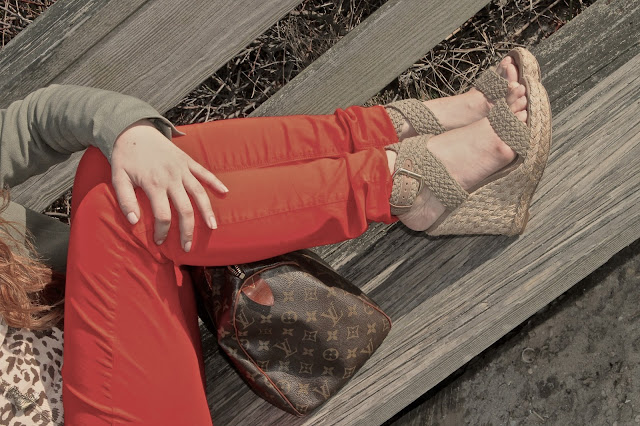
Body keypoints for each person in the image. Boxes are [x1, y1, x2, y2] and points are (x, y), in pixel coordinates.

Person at [0, 48, 550, 425]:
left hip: (120, 343)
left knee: (115, 167)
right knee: (127, 213)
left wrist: (128, 133)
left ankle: (397, 134)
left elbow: (35, 122)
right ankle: (400, 183)